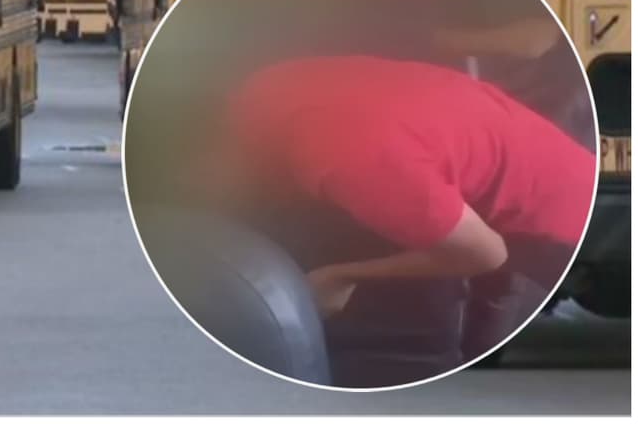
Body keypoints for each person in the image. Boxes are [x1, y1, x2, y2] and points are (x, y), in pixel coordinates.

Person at [192, 56, 595, 373]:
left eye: (195, 178)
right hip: (541, 165)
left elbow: (484, 253)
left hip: (563, 224)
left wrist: (340, 278)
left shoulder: (343, 154)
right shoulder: (263, 88)